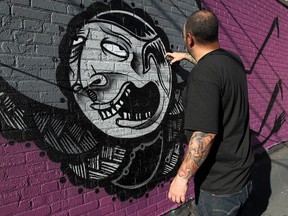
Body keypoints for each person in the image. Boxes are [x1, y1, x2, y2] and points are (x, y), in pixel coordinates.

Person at [166, 10, 254, 216]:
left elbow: (205, 135)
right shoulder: (234, 61)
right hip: (244, 177)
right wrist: (187, 56)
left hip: (219, 191)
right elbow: (214, 70)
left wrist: (181, 178)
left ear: (189, 38)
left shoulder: (203, 75)